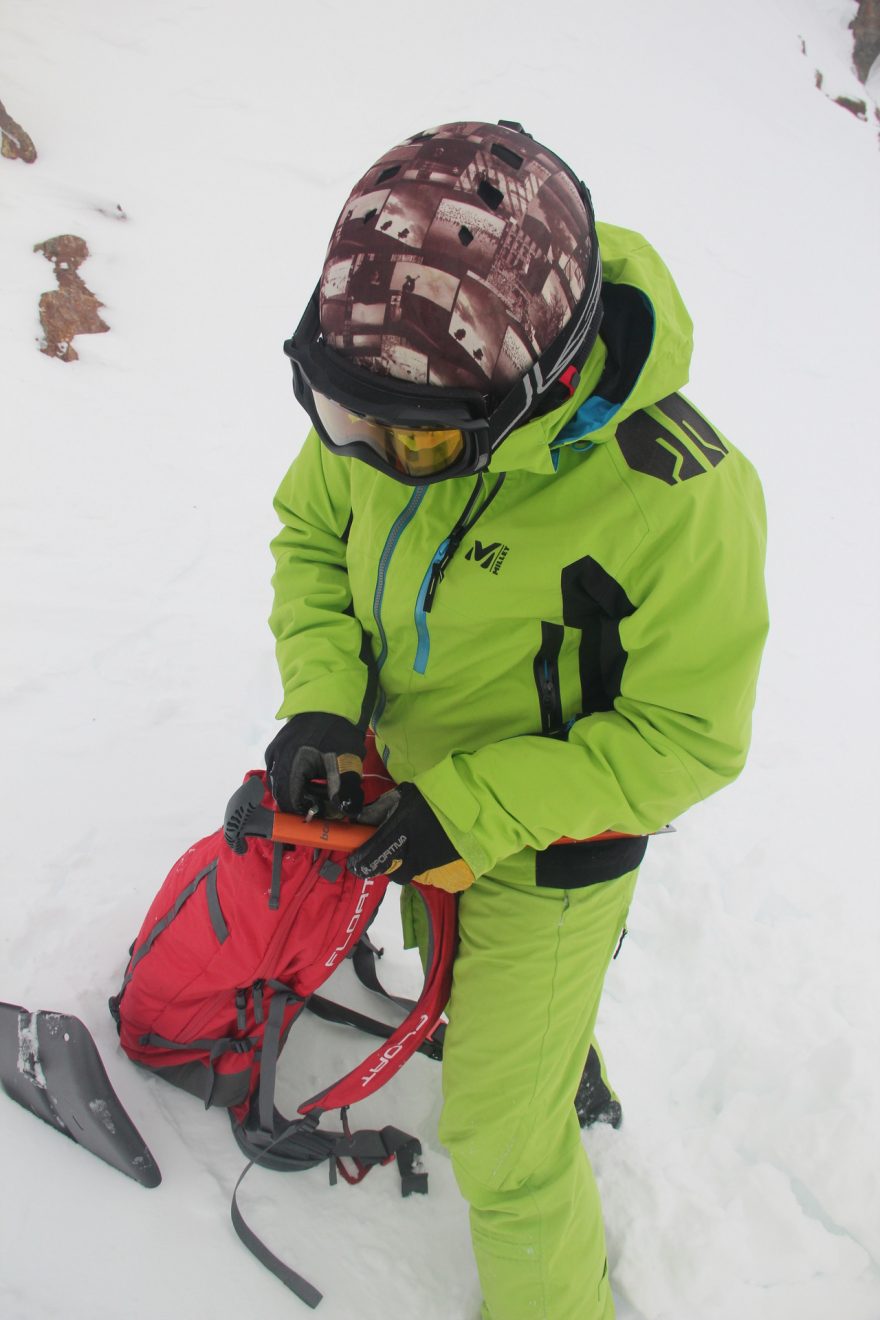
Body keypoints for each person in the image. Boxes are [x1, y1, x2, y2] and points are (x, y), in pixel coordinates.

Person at [265, 120, 768, 1320]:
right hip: (409, 791)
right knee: (452, 974)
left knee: (499, 1137)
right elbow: (312, 545)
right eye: (350, 426)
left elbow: (687, 737)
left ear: (534, 384)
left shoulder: (675, 496)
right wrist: (326, 706)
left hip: (552, 849)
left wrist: (479, 808)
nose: (376, 458)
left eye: (422, 442)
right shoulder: (392, 385)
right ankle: (545, 1047)